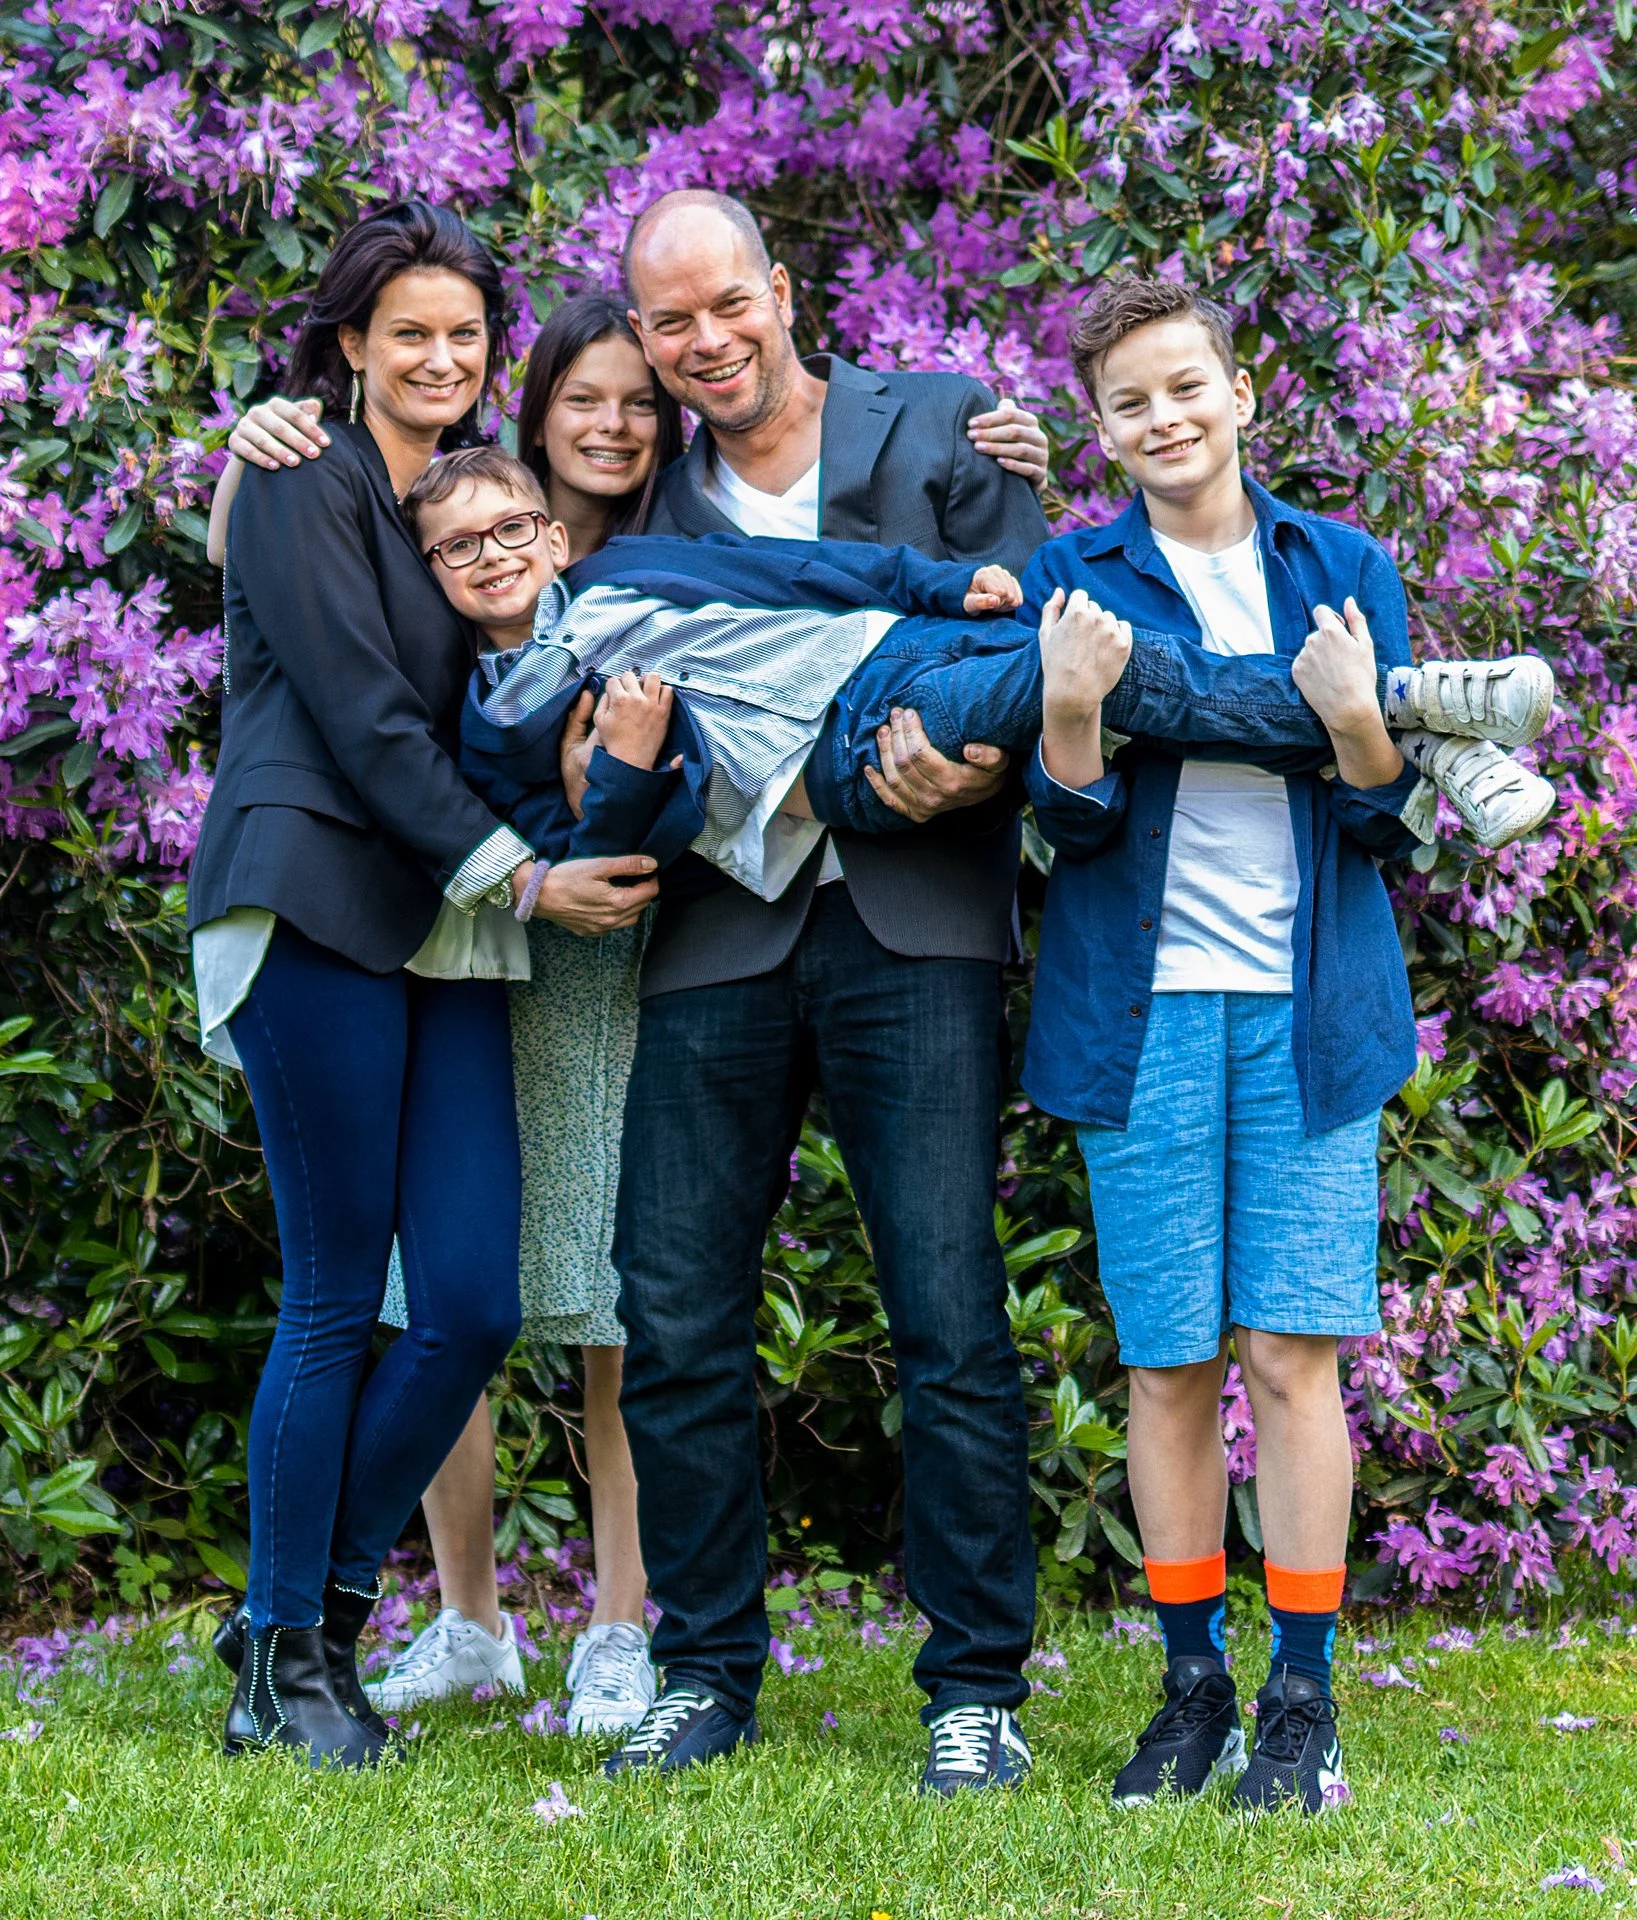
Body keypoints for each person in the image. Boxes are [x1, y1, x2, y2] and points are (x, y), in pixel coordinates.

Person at [206, 276, 1049, 1735]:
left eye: (632, 399)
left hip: (651, 903)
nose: (613, 417)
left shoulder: (656, 552)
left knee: (550, 1297)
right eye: (577, 396)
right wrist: (247, 447)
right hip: (484, 914)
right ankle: (333, 1632)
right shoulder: (375, 521)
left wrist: (963, 557)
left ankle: (568, 1626)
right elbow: (444, 749)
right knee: (416, 1292)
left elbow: (811, 588)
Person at [1017, 274, 1553, 1817]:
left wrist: (1362, 724)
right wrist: (1067, 718)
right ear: (1102, 431)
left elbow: (1384, 821)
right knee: (1173, 1362)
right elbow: (1067, 822)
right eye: (1130, 402)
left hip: (1313, 1015)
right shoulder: (1079, 566)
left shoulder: (1342, 566)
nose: (1165, 418)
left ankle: (1302, 1705)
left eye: (1187, 386)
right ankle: (1192, 1691)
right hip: (1145, 1012)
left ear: (1240, 391)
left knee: (1292, 1357)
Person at [188, 203, 656, 1770]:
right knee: (336, 1295)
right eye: (411, 336)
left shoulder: (469, 505)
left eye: (465, 336)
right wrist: (527, 878)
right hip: (313, 896)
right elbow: (369, 725)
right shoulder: (296, 475)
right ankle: (286, 1656)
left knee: (463, 1302)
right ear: (348, 346)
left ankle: (300, 1620)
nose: (443, 360)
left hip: (447, 932)